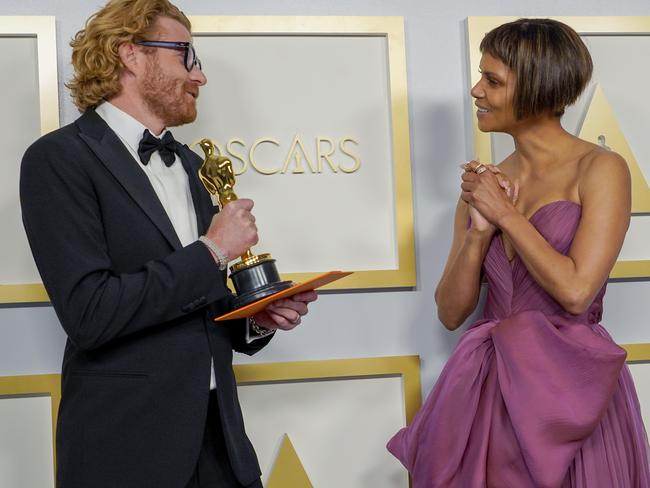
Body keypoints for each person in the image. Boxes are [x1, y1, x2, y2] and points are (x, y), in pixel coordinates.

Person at [19, 1, 317, 487]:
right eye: (185, 55)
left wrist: (253, 321)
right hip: (125, 449)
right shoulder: (57, 159)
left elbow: (198, 302)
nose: (199, 76)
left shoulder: (193, 166)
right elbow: (90, 314)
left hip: (222, 447)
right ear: (131, 55)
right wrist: (213, 251)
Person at [388, 18, 650, 487]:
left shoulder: (601, 168)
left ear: (538, 89)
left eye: (492, 81)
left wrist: (507, 217)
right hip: (487, 393)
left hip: (569, 392)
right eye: (480, 77)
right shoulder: (486, 183)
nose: (475, 91)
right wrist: (478, 232)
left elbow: (575, 292)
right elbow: (451, 313)